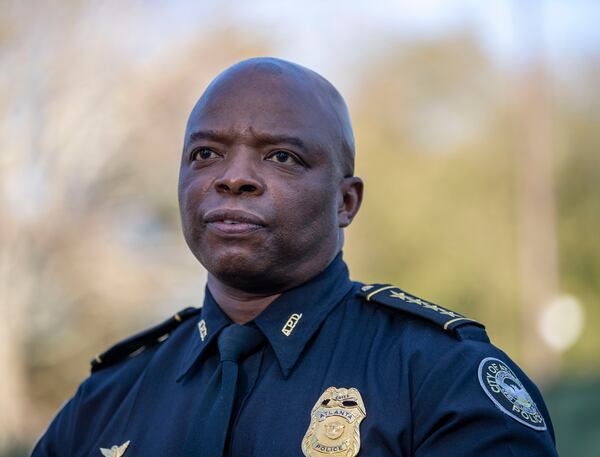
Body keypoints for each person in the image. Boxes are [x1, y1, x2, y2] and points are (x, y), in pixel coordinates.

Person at [32, 57, 559, 457]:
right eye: (205, 154)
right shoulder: (103, 403)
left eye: (281, 156)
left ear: (345, 201)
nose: (232, 177)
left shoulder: (443, 381)